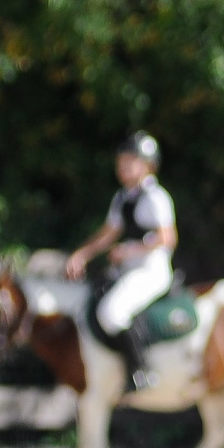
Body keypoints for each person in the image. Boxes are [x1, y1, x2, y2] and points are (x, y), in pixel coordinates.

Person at [62, 133, 178, 386]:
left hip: (151, 271)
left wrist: (130, 250)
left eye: (130, 161)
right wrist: (81, 255)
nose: (122, 167)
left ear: (148, 165)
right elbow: (108, 234)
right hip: (128, 270)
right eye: (121, 162)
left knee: (111, 313)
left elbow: (167, 237)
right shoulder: (122, 198)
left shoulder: (156, 198)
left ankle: (141, 370)